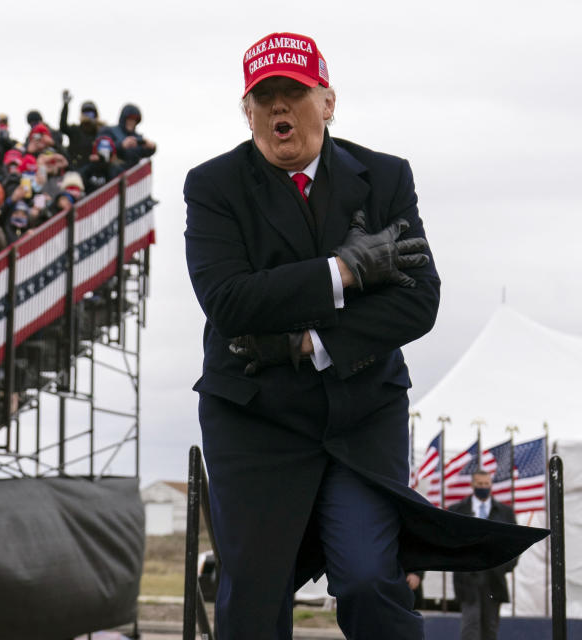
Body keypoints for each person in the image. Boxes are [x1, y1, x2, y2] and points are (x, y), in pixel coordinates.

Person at [183, 32, 544, 640]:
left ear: (327, 101)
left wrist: (307, 342)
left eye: (293, 93)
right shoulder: (212, 186)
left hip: (360, 413)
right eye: (263, 97)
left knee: (370, 579)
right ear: (247, 112)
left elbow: (417, 301)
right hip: (254, 420)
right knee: (251, 596)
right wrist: (343, 271)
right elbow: (228, 302)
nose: (279, 109)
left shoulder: (384, 178)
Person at [449, 470, 518, 640]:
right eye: (479, 484)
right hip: (467, 578)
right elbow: (450, 540)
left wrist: (504, 566)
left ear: (491, 485)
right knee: (470, 627)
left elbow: (515, 544)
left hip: (494, 579)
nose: (483, 487)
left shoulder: (505, 513)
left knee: (490, 628)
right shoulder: (457, 510)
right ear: (472, 484)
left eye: (486, 484)